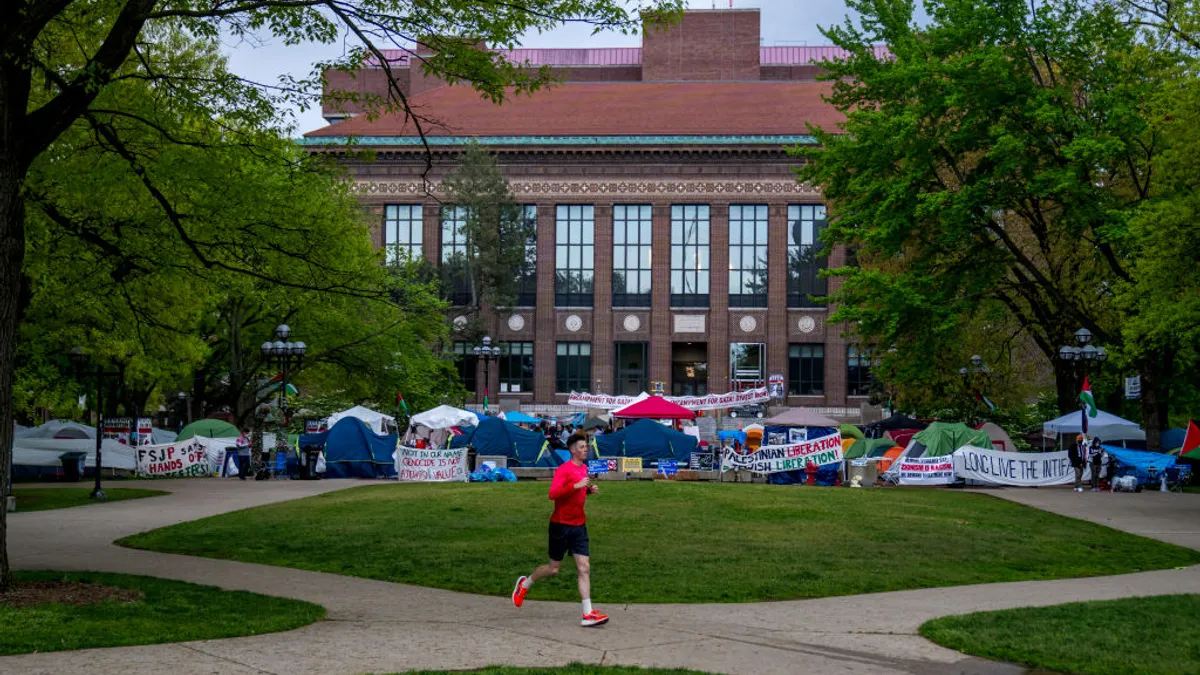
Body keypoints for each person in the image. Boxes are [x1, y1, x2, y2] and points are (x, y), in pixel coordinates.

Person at [512, 433, 608, 627]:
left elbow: (578, 491)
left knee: (584, 567)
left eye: (586, 447)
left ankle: (587, 614)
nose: (585, 449)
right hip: (560, 525)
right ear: (572, 450)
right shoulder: (563, 470)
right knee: (553, 569)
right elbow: (553, 494)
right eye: (582, 447)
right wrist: (575, 486)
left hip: (579, 525)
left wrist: (588, 490)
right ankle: (525, 584)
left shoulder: (584, 469)